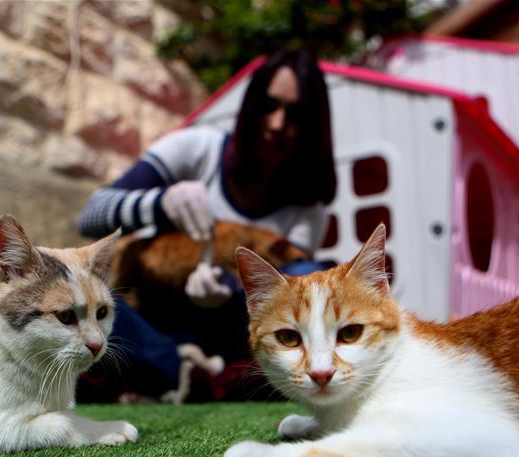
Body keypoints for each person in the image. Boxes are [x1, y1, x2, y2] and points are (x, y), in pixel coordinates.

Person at [77, 49, 337, 402]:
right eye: (269, 105)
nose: (277, 123)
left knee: (309, 274)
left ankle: (185, 377)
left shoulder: (307, 206)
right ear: (250, 105)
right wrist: (159, 203)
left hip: (234, 333)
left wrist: (230, 293)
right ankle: (193, 375)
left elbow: (294, 301)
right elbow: (90, 215)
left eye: (295, 114)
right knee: (89, 295)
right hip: (156, 323)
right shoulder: (198, 148)